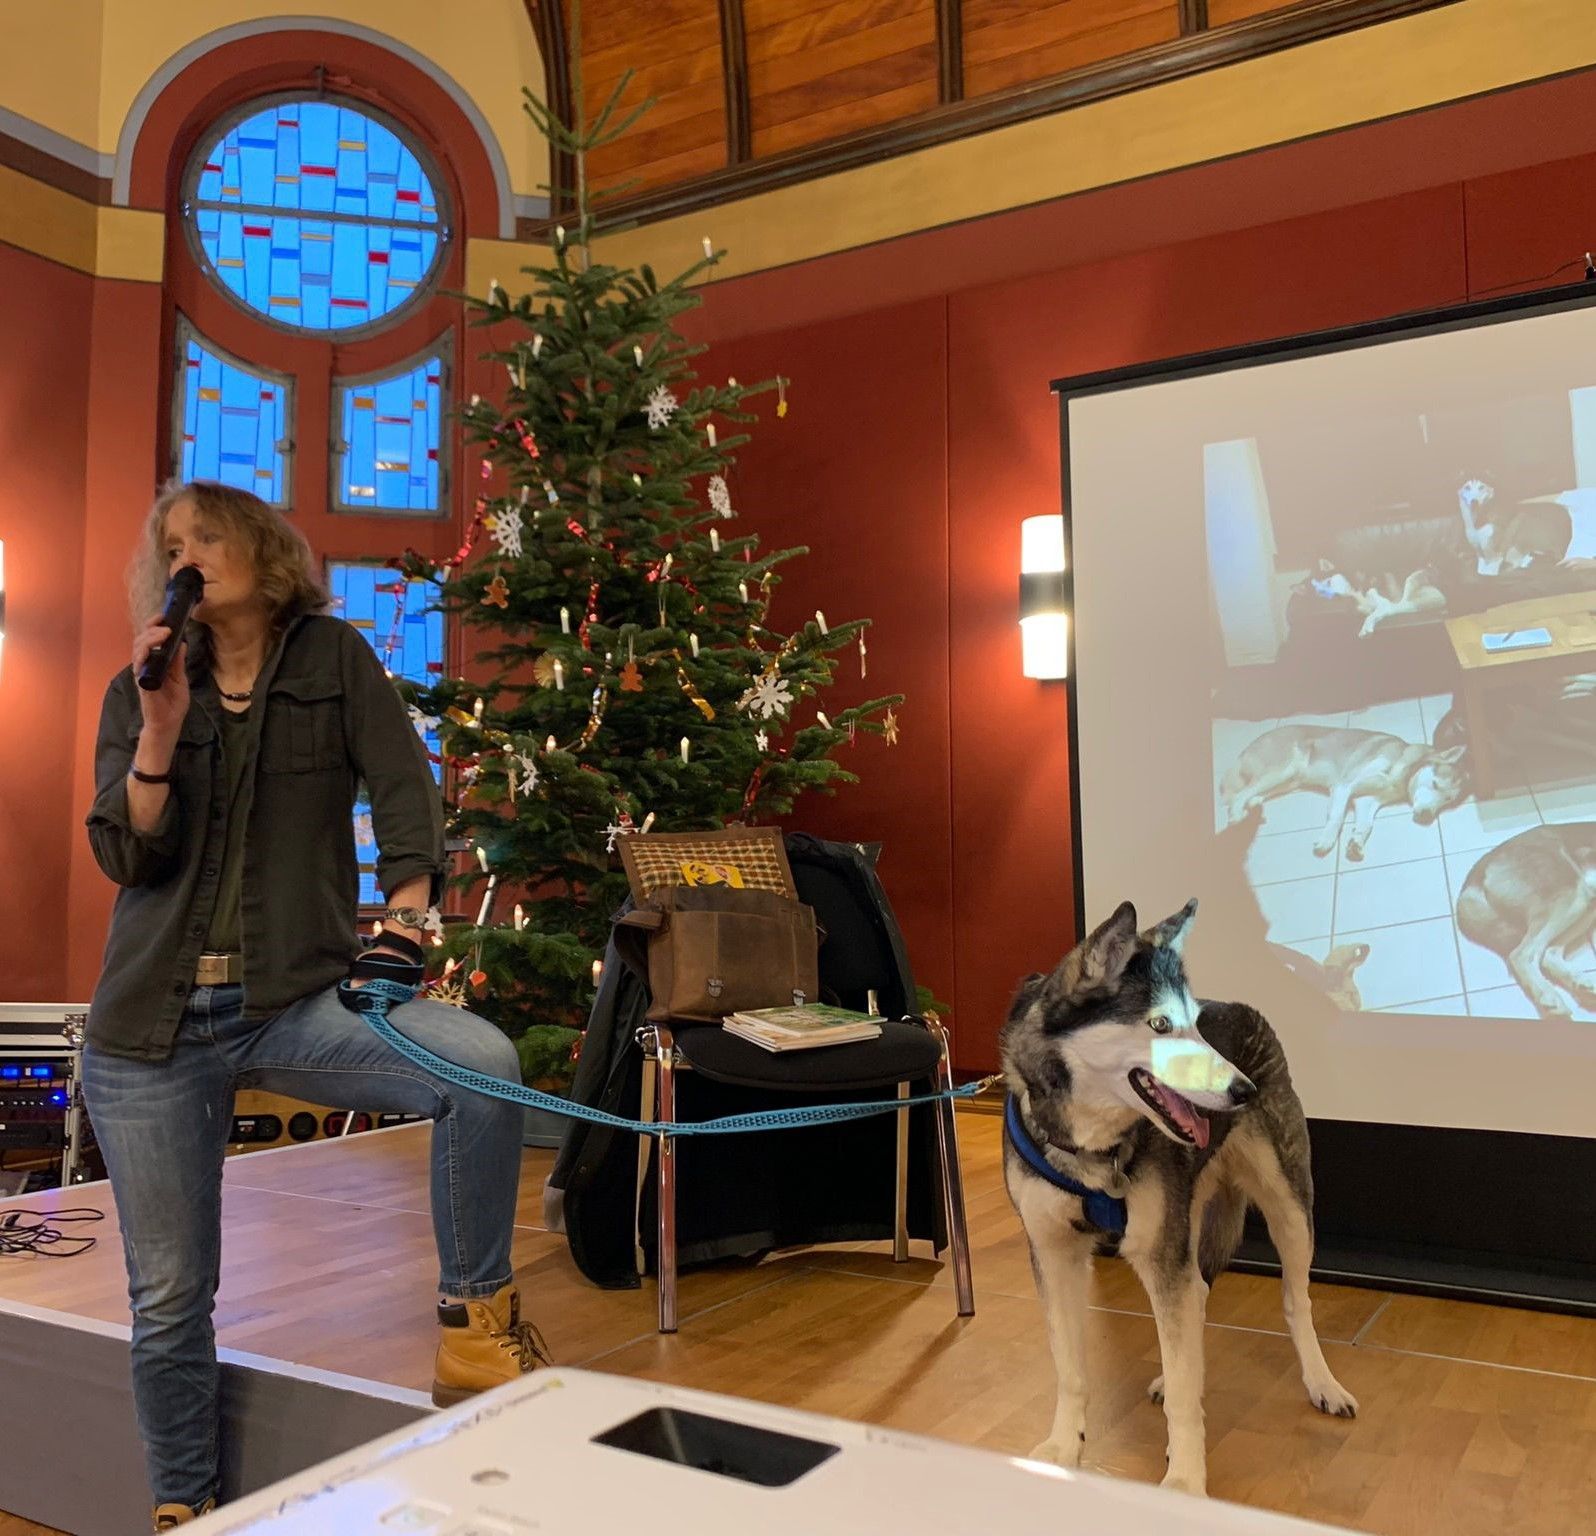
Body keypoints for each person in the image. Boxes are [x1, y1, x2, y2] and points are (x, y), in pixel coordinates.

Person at [83, 480, 547, 1532]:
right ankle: (185, 1505)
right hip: (150, 1029)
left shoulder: (334, 660)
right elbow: (126, 854)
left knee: (480, 1069)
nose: (187, 554)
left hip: (291, 1002)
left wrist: (407, 918)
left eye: (207, 534)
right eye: (172, 543)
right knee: (170, 1300)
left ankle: (475, 1328)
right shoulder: (140, 689)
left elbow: (404, 788)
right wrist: (159, 732)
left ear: (262, 550)